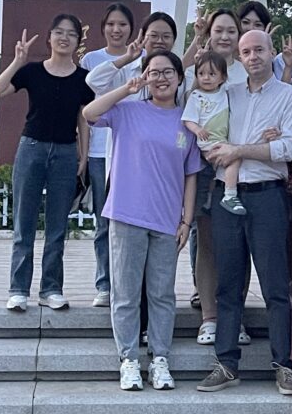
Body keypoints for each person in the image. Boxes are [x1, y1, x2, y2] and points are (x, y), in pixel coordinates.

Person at [82, 50, 202, 392]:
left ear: (180, 78)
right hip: (126, 214)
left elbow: (191, 174)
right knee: (126, 292)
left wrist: (186, 220)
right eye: (153, 72)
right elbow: (89, 112)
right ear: (145, 77)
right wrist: (126, 88)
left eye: (168, 72)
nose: (161, 78)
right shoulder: (128, 111)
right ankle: (129, 359)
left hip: (167, 220)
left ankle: (160, 358)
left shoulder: (186, 122)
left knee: (162, 293)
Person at [197, 30, 292, 396]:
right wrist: (258, 145)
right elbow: (209, 140)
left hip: (268, 197)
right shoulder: (226, 94)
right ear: (239, 58)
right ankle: (226, 363)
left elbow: (289, 147)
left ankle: (285, 365)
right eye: (247, 51)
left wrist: (242, 149)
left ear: (272, 52)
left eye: (260, 49)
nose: (253, 56)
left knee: (276, 285)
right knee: (228, 285)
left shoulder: (290, 96)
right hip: (227, 198)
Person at [0, 14, 94, 312]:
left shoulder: (81, 78)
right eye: (58, 32)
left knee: (57, 227)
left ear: (78, 40)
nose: (64, 38)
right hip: (31, 149)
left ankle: (51, 288)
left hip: (65, 152)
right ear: (49, 37)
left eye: (71, 34)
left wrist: (83, 156)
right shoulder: (33, 72)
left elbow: (83, 119)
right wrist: (17, 61)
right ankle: (18, 288)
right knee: (24, 222)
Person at [180, 10, 251, 348]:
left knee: (239, 245)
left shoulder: (247, 70)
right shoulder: (197, 72)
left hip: (240, 164)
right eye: (218, 30)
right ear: (209, 33)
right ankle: (210, 316)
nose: (225, 36)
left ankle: (234, 316)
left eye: (231, 30)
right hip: (205, 165)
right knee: (206, 241)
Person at [80, 2, 135, 308]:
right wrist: (85, 153)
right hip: (102, 151)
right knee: (104, 222)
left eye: (123, 24)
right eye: (112, 24)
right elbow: (87, 100)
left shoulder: (141, 60)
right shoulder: (92, 59)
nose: (117, 30)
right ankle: (104, 283)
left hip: (129, 152)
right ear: (103, 28)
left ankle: (126, 283)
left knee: (128, 223)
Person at [182, 52, 238, 212]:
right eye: (201, 74)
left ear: (222, 78)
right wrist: (197, 129)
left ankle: (218, 197)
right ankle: (230, 195)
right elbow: (187, 119)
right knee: (232, 161)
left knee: (221, 169)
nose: (206, 78)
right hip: (207, 144)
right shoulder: (196, 96)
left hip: (221, 142)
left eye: (212, 74)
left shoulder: (224, 92)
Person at [85, 12, 177, 97]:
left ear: (174, 40)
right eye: (153, 36)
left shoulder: (177, 74)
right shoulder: (127, 71)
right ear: (142, 37)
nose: (159, 41)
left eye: (166, 36)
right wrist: (127, 58)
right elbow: (93, 81)